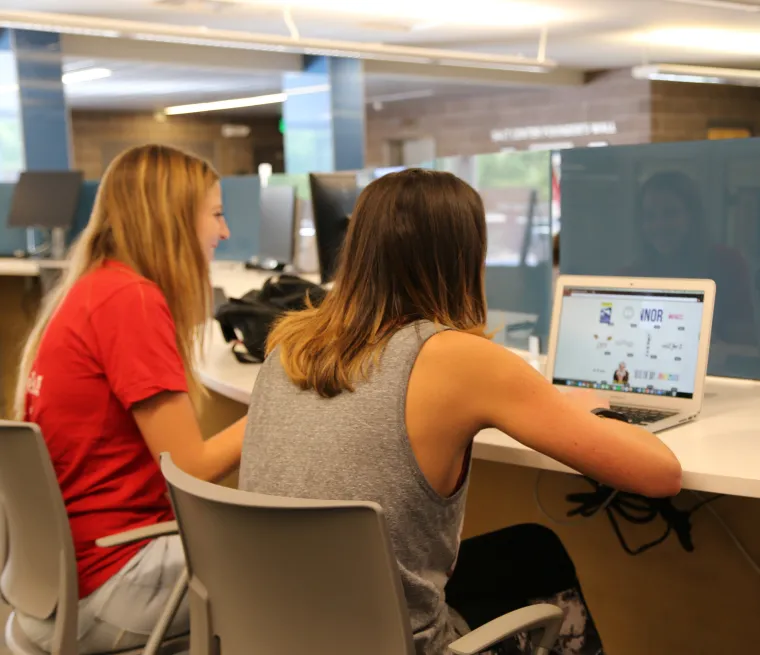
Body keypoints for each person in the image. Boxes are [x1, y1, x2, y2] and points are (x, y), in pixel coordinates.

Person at [239, 169, 682, 655]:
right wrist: (586, 415)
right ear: (465, 257)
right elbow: (660, 475)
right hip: (397, 644)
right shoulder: (456, 357)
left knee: (531, 548)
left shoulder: (289, 344)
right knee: (540, 556)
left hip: (274, 634)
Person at [13, 145, 246, 653]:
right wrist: (278, 405)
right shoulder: (130, 300)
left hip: (55, 584)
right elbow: (190, 468)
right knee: (310, 571)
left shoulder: (92, 289)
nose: (225, 232)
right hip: (112, 580)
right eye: (216, 214)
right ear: (173, 218)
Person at [622, 170, 756, 346]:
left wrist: (720, 349)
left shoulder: (727, 264)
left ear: (692, 217)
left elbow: (744, 344)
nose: (659, 225)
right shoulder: (632, 274)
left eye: (670, 213)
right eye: (649, 216)